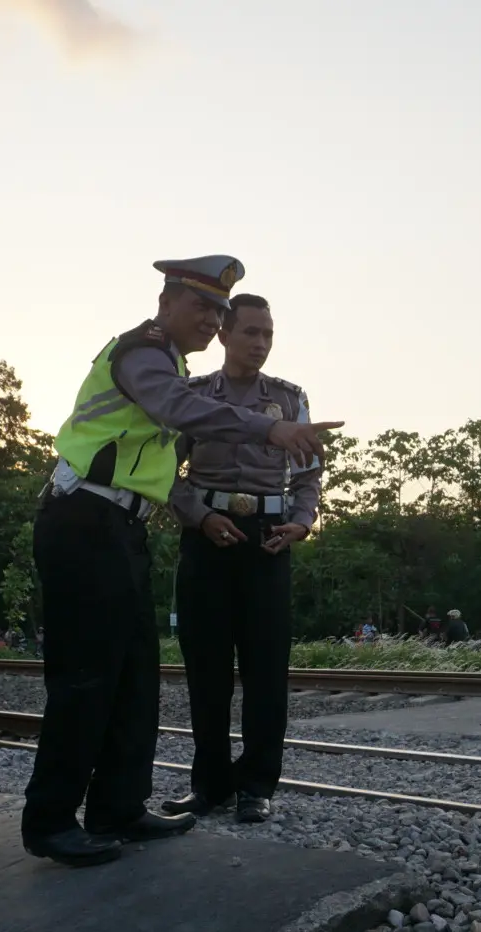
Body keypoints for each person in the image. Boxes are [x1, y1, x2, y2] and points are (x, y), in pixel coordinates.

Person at [20, 256, 339, 867]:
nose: (211, 318)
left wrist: (297, 512)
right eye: (204, 307)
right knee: (87, 678)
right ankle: (51, 820)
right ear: (167, 302)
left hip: (120, 527)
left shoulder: (178, 363)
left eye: (219, 308)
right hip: (85, 520)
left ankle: (119, 806)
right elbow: (177, 412)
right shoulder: (144, 352)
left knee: (135, 677)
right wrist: (267, 433)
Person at [161, 294, 321, 826]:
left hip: (268, 538)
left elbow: (307, 475)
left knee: (266, 668)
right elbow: (166, 471)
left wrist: (301, 522)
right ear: (224, 333)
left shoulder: (290, 399)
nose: (259, 344)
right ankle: (209, 786)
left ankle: (257, 785)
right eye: (250, 332)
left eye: (268, 335)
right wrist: (199, 517)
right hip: (208, 535)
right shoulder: (194, 396)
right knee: (206, 669)